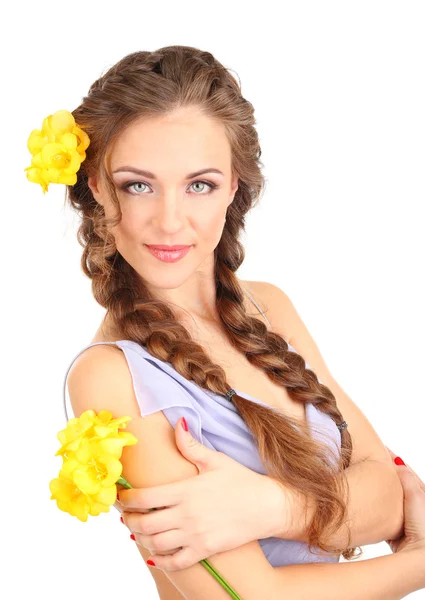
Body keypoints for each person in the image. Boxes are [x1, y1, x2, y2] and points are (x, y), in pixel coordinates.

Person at [48, 46, 424, 598]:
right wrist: (418, 562)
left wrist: (270, 506)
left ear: (232, 188)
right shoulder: (109, 376)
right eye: (137, 184)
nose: (169, 220)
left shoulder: (269, 307)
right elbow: (246, 597)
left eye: (198, 184)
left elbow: (390, 493)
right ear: (100, 188)